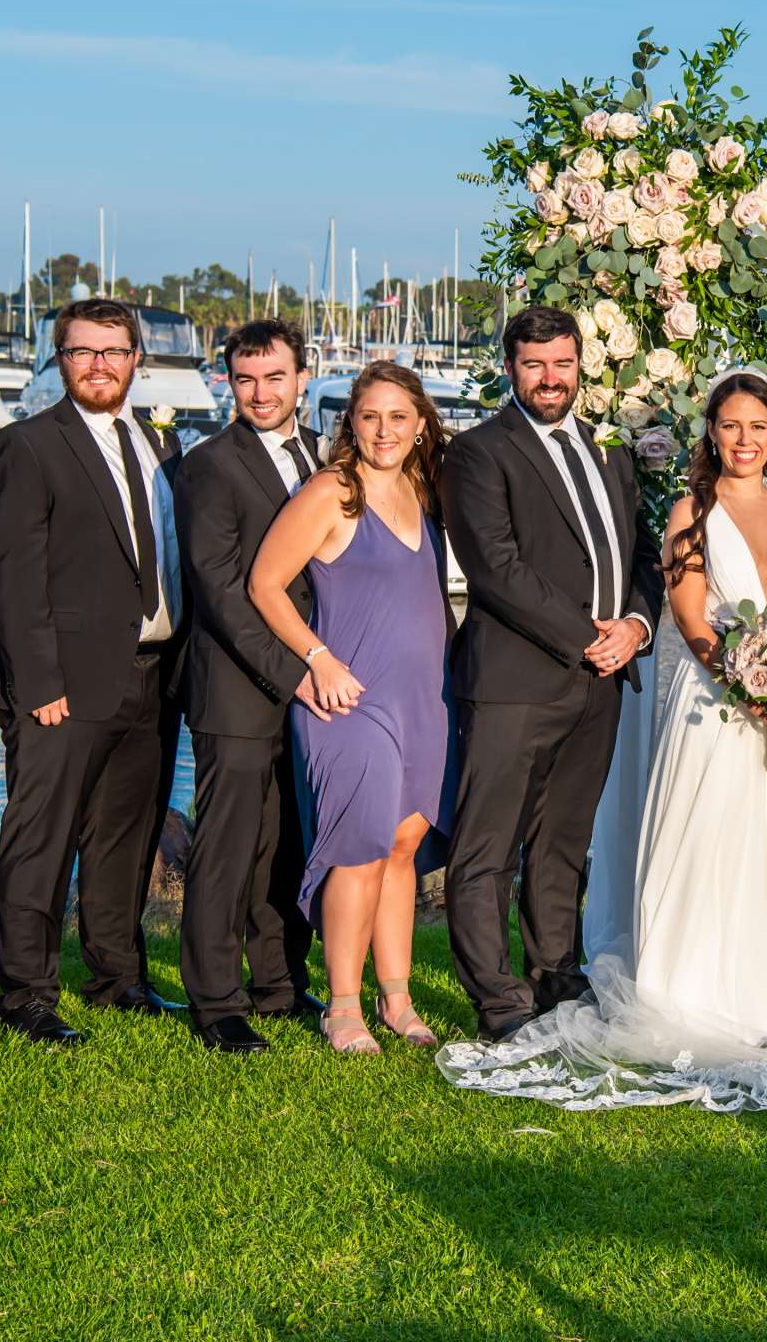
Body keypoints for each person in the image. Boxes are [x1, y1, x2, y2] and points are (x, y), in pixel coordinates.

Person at [435, 373, 767, 1111]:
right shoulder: (690, 512)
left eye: (759, 426)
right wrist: (755, 680)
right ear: (712, 434)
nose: (746, 440)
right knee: (707, 842)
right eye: (730, 426)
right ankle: (686, 993)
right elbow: (694, 620)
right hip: (716, 709)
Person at [439, 306, 662, 1041]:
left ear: (579, 366)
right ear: (510, 368)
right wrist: (584, 637)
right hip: (514, 682)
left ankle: (556, 974)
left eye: (561, 363)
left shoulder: (609, 453)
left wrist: (634, 626)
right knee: (488, 847)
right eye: (534, 365)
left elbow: (640, 558)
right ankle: (498, 996)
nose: (549, 378)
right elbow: (495, 568)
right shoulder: (477, 453)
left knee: (565, 839)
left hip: (600, 681)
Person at [0, 297, 185, 1045]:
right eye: (81, 351)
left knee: (125, 838)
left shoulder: (161, 446)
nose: (99, 364)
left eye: (114, 351)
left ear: (136, 358)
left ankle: (117, 976)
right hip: (62, 683)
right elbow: (12, 576)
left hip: (153, 677)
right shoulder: (27, 446)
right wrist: (39, 684)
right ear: (58, 360)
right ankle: (26, 994)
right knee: (42, 838)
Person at [250, 363, 452, 1055]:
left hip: (424, 701)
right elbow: (265, 583)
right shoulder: (332, 492)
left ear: (422, 424)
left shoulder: (423, 492)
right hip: (351, 700)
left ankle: (396, 998)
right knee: (358, 850)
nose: (384, 430)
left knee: (401, 848)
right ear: (351, 423)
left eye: (399, 417)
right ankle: (342, 1007)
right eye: (370, 416)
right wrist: (317, 658)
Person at [173, 319, 327, 1054]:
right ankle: (215, 1001)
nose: (260, 393)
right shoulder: (210, 465)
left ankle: (279, 984)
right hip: (238, 687)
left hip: (308, 688)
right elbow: (220, 589)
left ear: (303, 377)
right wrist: (297, 673)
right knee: (228, 846)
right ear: (228, 382)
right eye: (245, 379)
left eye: (274, 377)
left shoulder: (324, 457)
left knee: (287, 842)